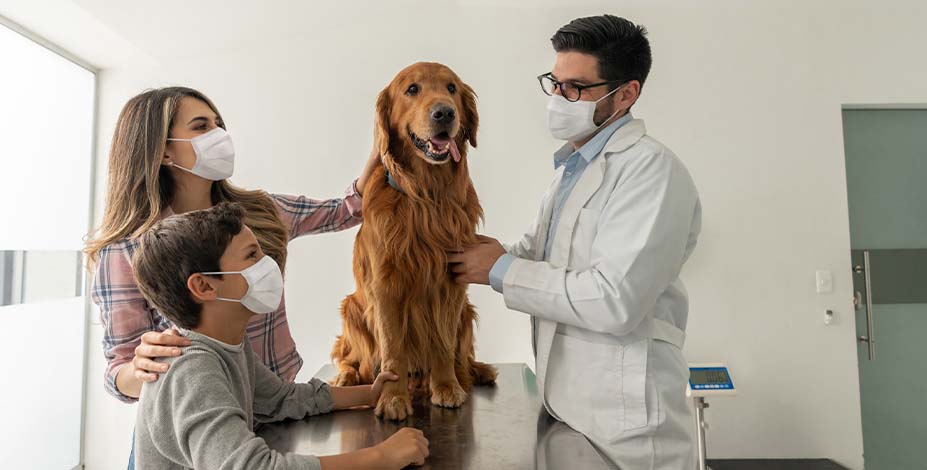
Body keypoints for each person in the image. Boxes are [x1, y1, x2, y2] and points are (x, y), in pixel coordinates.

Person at [448, 15, 702, 468]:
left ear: (625, 94)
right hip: (570, 413)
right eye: (555, 83)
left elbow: (614, 299)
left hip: (628, 435)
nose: (558, 99)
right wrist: (468, 251)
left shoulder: (651, 171)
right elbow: (541, 254)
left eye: (576, 88)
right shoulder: (574, 170)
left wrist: (501, 269)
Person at [84, 86, 376, 468]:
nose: (220, 135)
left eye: (219, 123)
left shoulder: (256, 213)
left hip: (275, 412)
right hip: (196, 436)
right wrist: (139, 369)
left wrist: (383, 145)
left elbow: (347, 210)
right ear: (163, 150)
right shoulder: (126, 251)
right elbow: (119, 370)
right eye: (201, 126)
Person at [130, 202, 429, 469]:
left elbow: (281, 399)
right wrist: (381, 457)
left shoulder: (229, 345)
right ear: (205, 286)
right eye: (252, 255)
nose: (268, 263)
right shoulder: (192, 370)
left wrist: (368, 394)